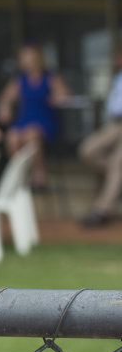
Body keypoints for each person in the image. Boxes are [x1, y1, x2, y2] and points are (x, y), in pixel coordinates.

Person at [0, 43, 71, 190]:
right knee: (12, 137)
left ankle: (39, 174)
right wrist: (5, 108)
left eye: (29, 57)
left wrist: (58, 98)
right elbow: (5, 98)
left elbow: (65, 96)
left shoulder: (50, 78)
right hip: (24, 119)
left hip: (44, 121)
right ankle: (21, 175)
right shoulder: (20, 80)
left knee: (32, 135)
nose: (26, 61)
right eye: (23, 58)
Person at [77, 50, 122, 227]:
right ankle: (117, 182)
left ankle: (102, 210)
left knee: (119, 161)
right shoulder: (118, 77)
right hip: (115, 124)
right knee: (87, 150)